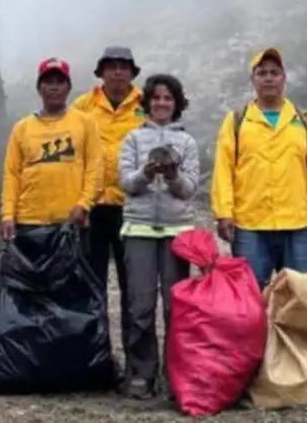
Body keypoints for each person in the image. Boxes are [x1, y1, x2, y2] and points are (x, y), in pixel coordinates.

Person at [211, 47, 307, 290]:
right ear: (253, 80)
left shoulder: (304, 120)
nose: (268, 78)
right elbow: (223, 171)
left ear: (284, 78)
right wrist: (223, 212)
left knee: (301, 294)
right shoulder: (236, 121)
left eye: (274, 73)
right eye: (262, 73)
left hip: (296, 224)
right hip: (250, 226)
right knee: (251, 295)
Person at [116, 74, 199, 400]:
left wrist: (174, 176)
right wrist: (146, 174)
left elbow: (189, 190)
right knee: (140, 305)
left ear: (176, 104)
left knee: (175, 308)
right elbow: (126, 183)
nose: (162, 103)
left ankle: (176, 374)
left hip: (177, 232)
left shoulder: (187, 142)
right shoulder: (133, 139)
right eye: (156, 98)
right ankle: (143, 373)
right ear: (147, 103)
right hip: (138, 229)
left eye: (168, 98)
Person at [72, 46, 144, 350]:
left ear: (132, 72)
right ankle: (96, 357)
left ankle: (135, 362)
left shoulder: (146, 103)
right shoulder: (83, 106)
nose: (117, 72)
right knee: (92, 285)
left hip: (134, 208)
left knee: (134, 288)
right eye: (111, 66)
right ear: (101, 72)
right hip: (93, 207)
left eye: (123, 66)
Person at [0, 58, 104, 244]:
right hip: (28, 221)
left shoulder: (85, 123)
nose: (54, 88)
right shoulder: (22, 128)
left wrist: (84, 204)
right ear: (39, 88)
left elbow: (95, 168)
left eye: (60, 82)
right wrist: (8, 214)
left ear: (68, 88)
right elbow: (12, 174)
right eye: (48, 82)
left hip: (71, 219)